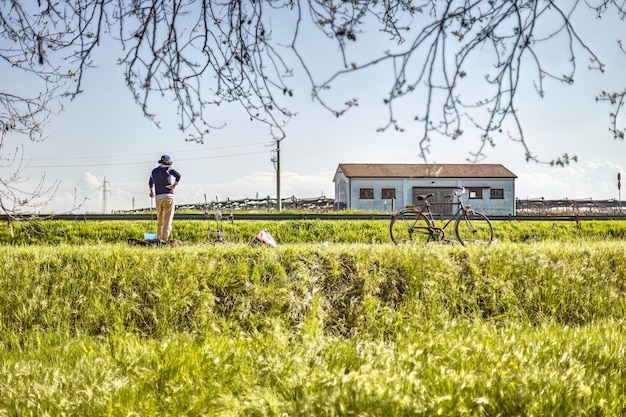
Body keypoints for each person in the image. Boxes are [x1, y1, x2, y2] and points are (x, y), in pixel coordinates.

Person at [148, 155, 181, 242]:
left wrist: (151, 191)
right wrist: (174, 185)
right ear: (168, 162)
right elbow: (178, 175)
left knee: (160, 220)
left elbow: (150, 182)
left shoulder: (154, 171)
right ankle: (164, 240)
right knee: (167, 220)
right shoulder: (168, 169)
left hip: (158, 197)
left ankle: (158, 239)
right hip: (168, 196)